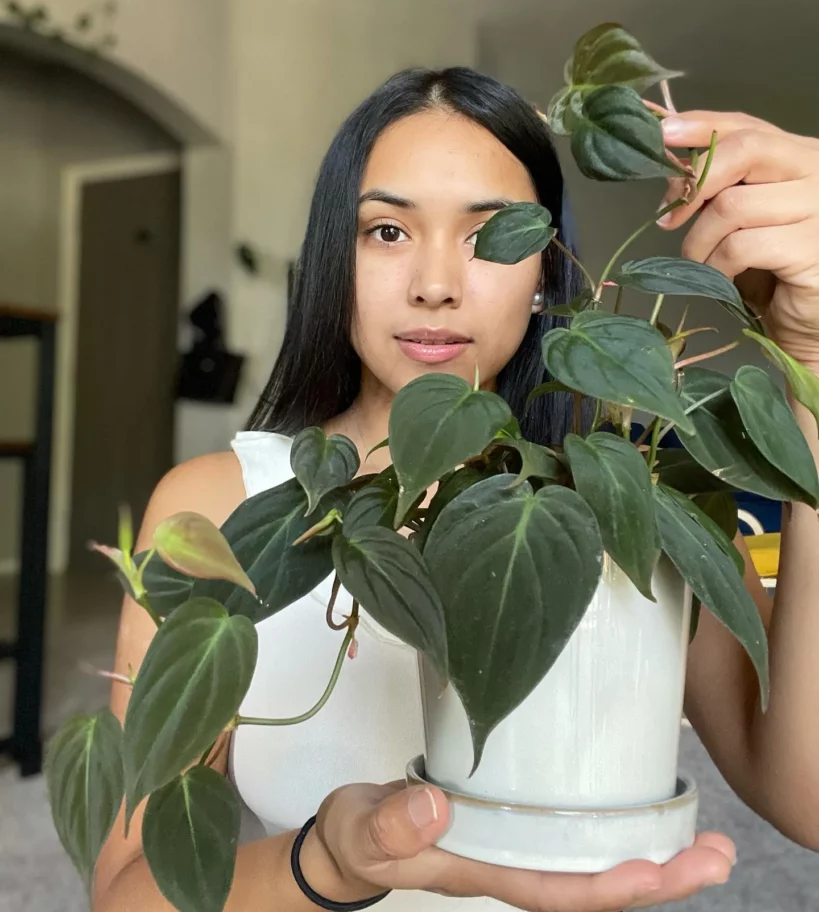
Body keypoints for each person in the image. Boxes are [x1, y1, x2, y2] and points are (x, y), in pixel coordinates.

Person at [93, 68, 819, 911]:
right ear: (336, 259)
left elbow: (805, 798)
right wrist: (331, 863)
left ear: (547, 269)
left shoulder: (642, 493)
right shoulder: (221, 511)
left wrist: (808, 359)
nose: (433, 283)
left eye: (486, 235)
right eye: (387, 231)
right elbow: (129, 895)